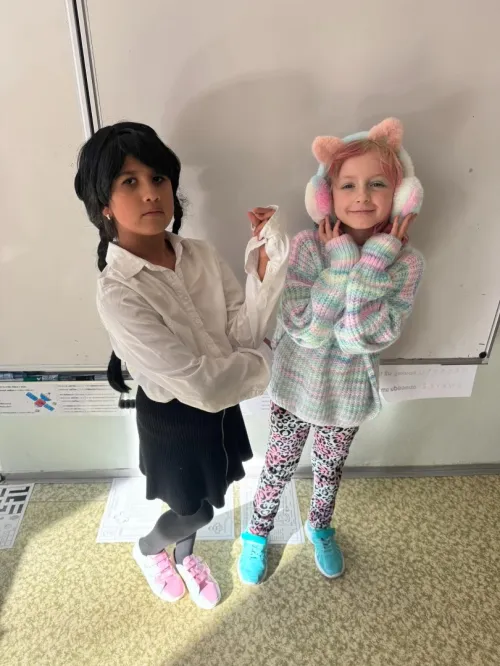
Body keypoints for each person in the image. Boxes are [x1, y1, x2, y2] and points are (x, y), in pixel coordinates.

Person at [74, 121, 289, 609]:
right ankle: (150, 549)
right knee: (194, 510)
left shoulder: (202, 255)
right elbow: (203, 385)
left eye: (158, 178)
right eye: (129, 182)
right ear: (103, 204)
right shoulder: (118, 291)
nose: (151, 193)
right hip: (174, 419)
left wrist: (264, 267)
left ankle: (186, 555)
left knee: (207, 500)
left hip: (221, 403)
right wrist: (267, 359)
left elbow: (240, 334)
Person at [238, 117, 425, 584]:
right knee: (277, 465)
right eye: (348, 185)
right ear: (326, 196)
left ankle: (320, 527)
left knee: (329, 470)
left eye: (377, 184)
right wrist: (341, 264)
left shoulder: (405, 264)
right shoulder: (307, 247)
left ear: (401, 196)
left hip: (347, 397)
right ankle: (256, 532)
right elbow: (306, 331)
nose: (362, 196)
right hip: (293, 387)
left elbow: (360, 338)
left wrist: (373, 262)